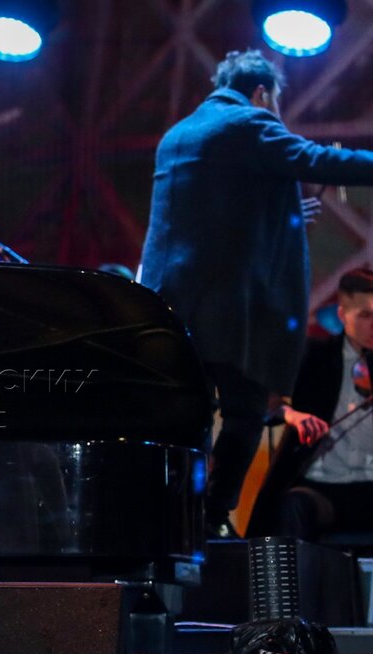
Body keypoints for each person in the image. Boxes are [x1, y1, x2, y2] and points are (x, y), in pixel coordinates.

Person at [138, 49, 373, 537]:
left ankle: (172, 516)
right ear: (262, 93)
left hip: (166, 307)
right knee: (246, 413)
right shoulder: (248, 123)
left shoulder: (177, 135)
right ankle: (211, 516)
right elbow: (317, 159)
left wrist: (286, 217)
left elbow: (210, 218)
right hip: (225, 312)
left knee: (185, 415)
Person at [252, 267, 373, 541]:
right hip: (323, 487)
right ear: (342, 315)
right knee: (293, 506)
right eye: (365, 316)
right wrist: (293, 415)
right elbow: (265, 402)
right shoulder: (315, 356)